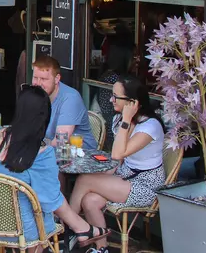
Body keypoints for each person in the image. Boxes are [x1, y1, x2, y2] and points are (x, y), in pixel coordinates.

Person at [0, 85, 110, 249]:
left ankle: (81, 228)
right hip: (24, 231)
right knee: (45, 202)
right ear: (44, 117)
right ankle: (81, 228)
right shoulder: (42, 154)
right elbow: (50, 200)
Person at [69, 77, 165, 253]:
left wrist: (126, 120)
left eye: (115, 97)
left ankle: (68, 229)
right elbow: (119, 161)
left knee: (84, 179)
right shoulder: (119, 120)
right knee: (89, 200)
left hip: (146, 186)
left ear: (132, 103)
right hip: (126, 175)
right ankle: (101, 248)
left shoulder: (150, 126)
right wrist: (105, 177)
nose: (111, 100)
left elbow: (117, 153)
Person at [32, 55, 97, 150]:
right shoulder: (37, 95)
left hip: (80, 156)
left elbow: (61, 140)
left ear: (57, 79)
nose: (38, 83)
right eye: (35, 78)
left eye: (43, 79)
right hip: (51, 152)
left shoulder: (70, 98)